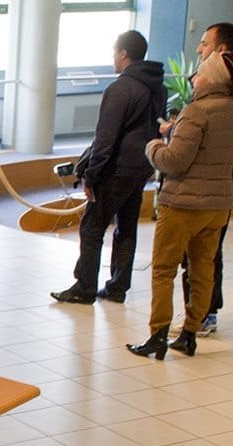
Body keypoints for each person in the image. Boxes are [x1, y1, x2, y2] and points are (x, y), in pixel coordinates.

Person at [130, 51, 233, 359]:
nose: (194, 78)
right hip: (218, 205)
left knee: (163, 269)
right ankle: (190, 333)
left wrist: (154, 145)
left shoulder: (195, 112)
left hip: (182, 204)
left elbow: (175, 161)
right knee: (202, 268)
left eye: (199, 73)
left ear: (211, 79)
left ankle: (158, 335)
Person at [51, 31, 166, 305]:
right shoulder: (157, 86)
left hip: (116, 169)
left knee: (92, 227)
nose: (113, 57)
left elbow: (105, 138)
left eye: (115, 51)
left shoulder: (121, 88)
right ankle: (117, 286)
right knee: (126, 227)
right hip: (141, 167)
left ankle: (85, 287)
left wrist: (91, 175)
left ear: (124, 53)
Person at [181, 22, 233, 337]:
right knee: (194, 252)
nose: (200, 49)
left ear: (223, 50)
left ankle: (204, 313)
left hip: (215, 186)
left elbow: (225, 144)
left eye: (205, 44)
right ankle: (197, 312)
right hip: (206, 185)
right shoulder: (215, 98)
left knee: (206, 253)